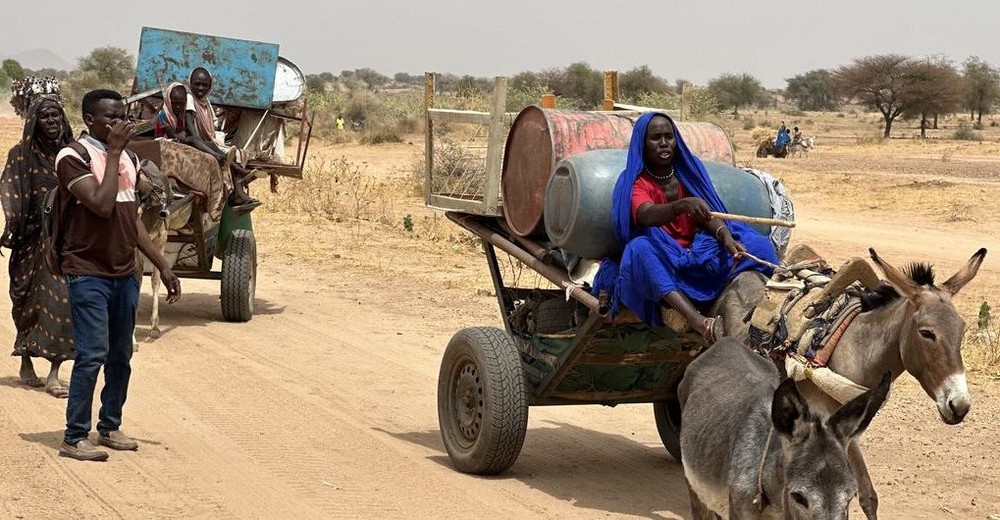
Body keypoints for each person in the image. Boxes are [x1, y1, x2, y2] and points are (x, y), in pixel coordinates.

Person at [54, 89, 182, 461]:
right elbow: (101, 204)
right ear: (89, 119)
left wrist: (162, 264)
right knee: (92, 353)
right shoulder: (72, 157)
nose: (119, 124)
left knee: (121, 354)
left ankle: (109, 426)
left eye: (122, 116)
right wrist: (112, 153)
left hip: (124, 272)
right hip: (87, 271)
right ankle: (75, 436)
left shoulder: (128, 157)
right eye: (111, 118)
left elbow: (130, 218)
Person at [592, 112, 778, 343]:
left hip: (697, 248)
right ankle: (697, 321)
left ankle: (739, 295)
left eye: (669, 137)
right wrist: (680, 206)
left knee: (758, 245)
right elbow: (646, 214)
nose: (664, 143)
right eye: (655, 138)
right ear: (642, 143)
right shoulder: (636, 181)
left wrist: (724, 236)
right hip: (666, 255)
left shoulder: (688, 170)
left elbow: (707, 214)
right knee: (638, 250)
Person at [0, 96, 76, 398]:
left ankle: (54, 373)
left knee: (62, 302)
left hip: (64, 241)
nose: (52, 121)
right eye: (45, 116)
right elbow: (11, 195)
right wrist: (14, 226)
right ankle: (26, 360)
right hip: (29, 240)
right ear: (34, 122)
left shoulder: (73, 154)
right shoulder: (20, 155)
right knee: (25, 302)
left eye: (56, 115)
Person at [183, 67, 260, 211]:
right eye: (197, 84)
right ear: (190, 83)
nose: (201, 88)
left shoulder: (205, 101)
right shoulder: (189, 99)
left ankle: (237, 192)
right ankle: (238, 179)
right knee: (223, 153)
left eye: (205, 85)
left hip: (205, 140)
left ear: (210, 86)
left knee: (233, 152)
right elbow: (192, 131)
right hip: (195, 141)